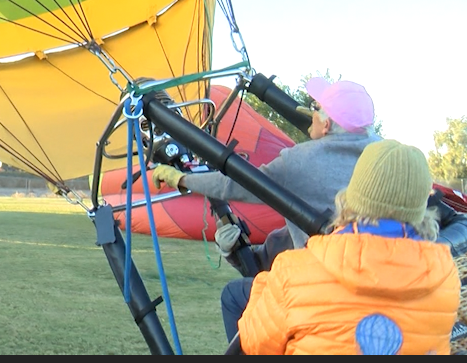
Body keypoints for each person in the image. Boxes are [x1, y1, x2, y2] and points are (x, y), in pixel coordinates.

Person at [151, 77, 380, 339]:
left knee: (235, 296)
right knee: (280, 241)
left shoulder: (302, 160)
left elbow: (239, 185)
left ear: (326, 124)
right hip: (375, 275)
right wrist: (236, 254)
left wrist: (181, 179)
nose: (310, 114)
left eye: (315, 108)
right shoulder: (384, 154)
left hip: (324, 286)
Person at [236, 139, 460, 355]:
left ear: (352, 195)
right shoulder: (446, 276)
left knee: (233, 295)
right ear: (421, 208)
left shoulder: (291, 270)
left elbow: (255, 344)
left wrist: (264, 281)